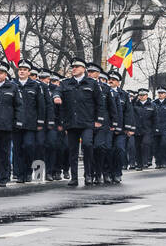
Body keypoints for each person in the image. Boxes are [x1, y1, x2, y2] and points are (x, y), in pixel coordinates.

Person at [55, 59, 106, 187]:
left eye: (77, 67)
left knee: (88, 145)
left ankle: (88, 174)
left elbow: (100, 103)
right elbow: (57, 91)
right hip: (71, 122)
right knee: (72, 150)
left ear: (84, 69)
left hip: (87, 122)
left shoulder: (92, 83)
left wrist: (99, 119)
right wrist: (56, 96)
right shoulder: (65, 83)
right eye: (72, 67)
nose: (74, 69)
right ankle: (74, 177)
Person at [12, 61, 46, 183]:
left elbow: (40, 105)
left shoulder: (35, 86)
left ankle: (28, 171)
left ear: (29, 72)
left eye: (25, 69)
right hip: (16, 123)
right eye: (20, 69)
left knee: (29, 146)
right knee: (17, 149)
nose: (21, 71)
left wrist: (40, 121)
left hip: (30, 123)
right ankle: (20, 174)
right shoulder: (12, 84)